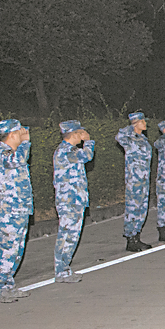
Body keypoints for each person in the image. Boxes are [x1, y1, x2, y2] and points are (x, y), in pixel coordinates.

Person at [0, 118, 33, 302]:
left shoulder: (13, 152)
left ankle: (8, 285)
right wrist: (26, 143)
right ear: (13, 134)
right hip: (8, 211)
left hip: (19, 209)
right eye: (21, 132)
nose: (24, 134)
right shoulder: (2, 152)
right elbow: (19, 160)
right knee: (7, 249)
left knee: (16, 250)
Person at [52, 120, 95, 283]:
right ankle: (61, 271)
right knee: (67, 235)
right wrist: (89, 141)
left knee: (72, 235)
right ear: (75, 134)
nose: (82, 135)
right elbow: (87, 156)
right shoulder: (66, 151)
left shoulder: (70, 150)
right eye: (80, 133)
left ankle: (64, 269)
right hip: (69, 200)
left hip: (75, 199)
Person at [116, 112, 153, 252]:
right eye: (143, 122)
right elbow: (118, 136)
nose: (145, 124)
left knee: (142, 208)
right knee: (133, 208)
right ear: (136, 123)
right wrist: (131, 126)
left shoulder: (142, 139)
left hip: (143, 178)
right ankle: (130, 238)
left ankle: (137, 236)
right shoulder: (128, 139)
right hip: (134, 180)